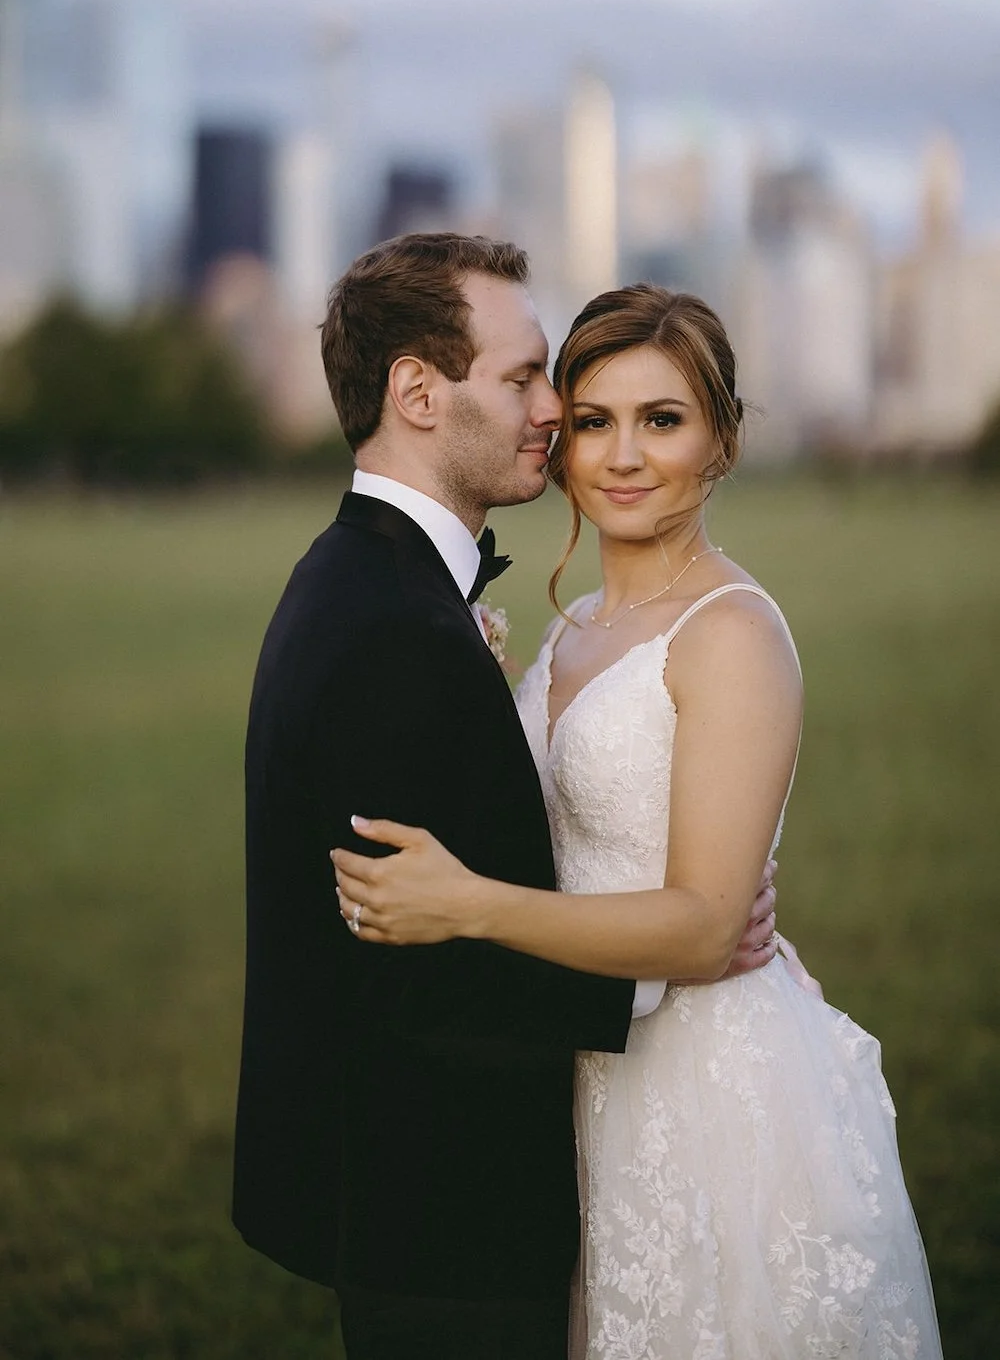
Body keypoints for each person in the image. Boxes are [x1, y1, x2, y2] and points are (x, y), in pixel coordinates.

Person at [333, 284, 943, 1360]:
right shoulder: (570, 634)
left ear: (722, 440)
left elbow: (707, 927)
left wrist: (467, 906)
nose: (621, 455)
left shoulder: (731, 636)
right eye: (594, 421)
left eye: (661, 421)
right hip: (581, 1070)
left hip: (710, 1085)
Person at [232, 237, 778, 1360]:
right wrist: (676, 954)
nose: (551, 407)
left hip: (500, 1174)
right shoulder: (394, 627)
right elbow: (416, 966)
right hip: (443, 1212)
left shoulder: (370, 584)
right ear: (418, 392)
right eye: (527, 379)